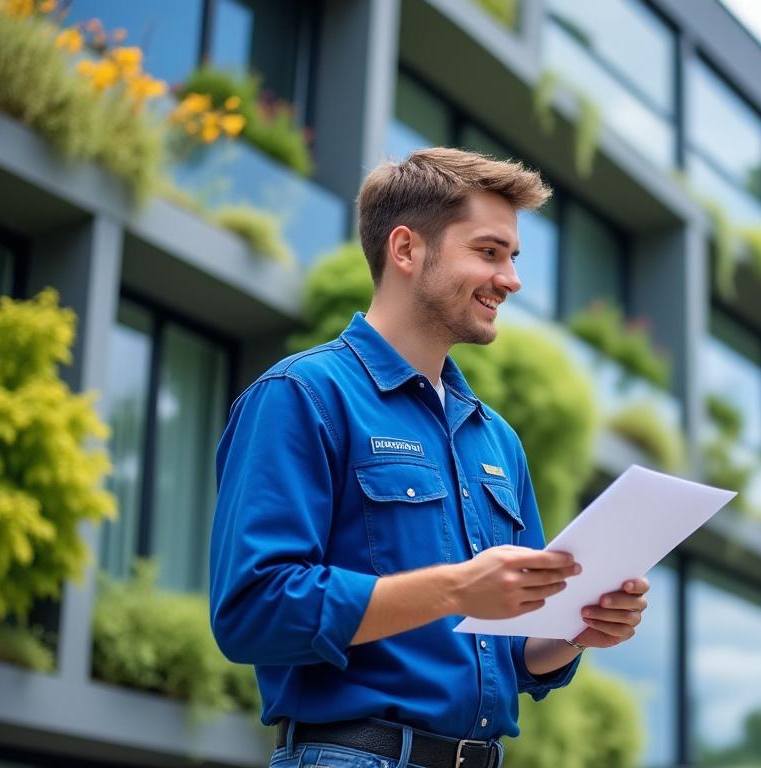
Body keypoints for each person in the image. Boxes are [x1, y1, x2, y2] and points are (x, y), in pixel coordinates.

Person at [209, 148, 650, 768]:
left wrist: (577, 630)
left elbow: (514, 653)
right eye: (489, 252)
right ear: (407, 249)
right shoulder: (302, 397)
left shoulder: (496, 438)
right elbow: (254, 612)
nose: (511, 279)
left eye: (513, 258)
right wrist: (455, 590)